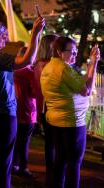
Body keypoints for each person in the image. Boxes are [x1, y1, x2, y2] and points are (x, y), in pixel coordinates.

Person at [0, 17, 44, 188]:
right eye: (2, 34)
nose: (6, 37)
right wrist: (34, 34)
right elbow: (27, 61)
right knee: (5, 160)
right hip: (4, 115)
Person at [41, 36, 100, 188]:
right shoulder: (64, 69)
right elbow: (87, 90)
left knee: (60, 161)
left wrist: (91, 65)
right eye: (71, 52)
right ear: (60, 52)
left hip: (55, 121)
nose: (75, 55)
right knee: (73, 164)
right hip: (72, 123)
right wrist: (94, 63)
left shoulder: (48, 67)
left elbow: (80, 82)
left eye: (75, 51)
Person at [33, 34, 59, 186]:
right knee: (55, 142)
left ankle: (51, 173)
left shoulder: (37, 64)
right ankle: (54, 174)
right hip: (50, 105)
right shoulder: (48, 65)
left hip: (42, 105)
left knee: (50, 142)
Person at [12, 47, 37, 178]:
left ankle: (14, 164)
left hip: (14, 110)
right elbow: (34, 93)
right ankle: (24, 167)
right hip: (28, 111)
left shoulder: (13, 70)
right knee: (25, 141)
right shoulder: (30, 73)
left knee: (15, 139)